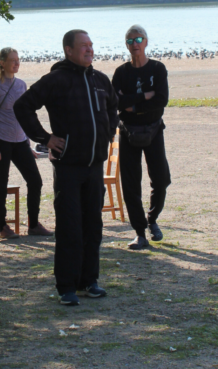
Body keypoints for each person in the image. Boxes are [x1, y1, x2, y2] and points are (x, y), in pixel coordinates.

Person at [13, 30, 118, 306]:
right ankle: (67, 287)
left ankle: (89, 281)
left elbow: (112, 108)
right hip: (69, 167)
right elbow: (22, 106)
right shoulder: (56, 80)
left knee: (93, 225)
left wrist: (108, 133)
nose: (89, 50)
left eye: (91, 45)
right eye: (83, 46)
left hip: (95, 166)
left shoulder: (100, 80)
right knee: (70, 227)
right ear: (68, 50)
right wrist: (45, 139)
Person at [112, 24, 171, 250]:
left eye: (138, 40)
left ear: (146, 42)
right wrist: (144, 96)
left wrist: (132, 104)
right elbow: (115, 103)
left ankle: (152, 220)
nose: (134, 45)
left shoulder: (157, 69)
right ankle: (139, 232)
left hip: (154, 130)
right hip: (128, 132)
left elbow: (161, 100)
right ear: (126, 45)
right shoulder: (121, 72)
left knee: (161, 179)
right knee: (130, 183)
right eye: (130, 41)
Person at [0, 47, 52, 239]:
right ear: (2, 63)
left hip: (20, 141)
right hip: (0, 141)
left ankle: (33, 224)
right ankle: (3, 226)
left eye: (18, 59)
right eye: (12, 60)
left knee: (35, 181)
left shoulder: (21, 85)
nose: (16, 63)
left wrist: (28, 144)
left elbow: (23, 116)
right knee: (1, 184)